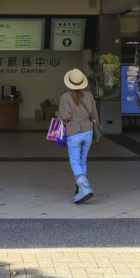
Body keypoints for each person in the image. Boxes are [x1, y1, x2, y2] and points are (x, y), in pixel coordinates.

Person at [58, 68, 98, 204]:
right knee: (82, 160)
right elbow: (95, 114)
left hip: (73, 131)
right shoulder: (89, 95)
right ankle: (79, 189)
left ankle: (85, 187)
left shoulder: (65, 97)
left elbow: (64, 116)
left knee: (75, 162)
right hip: (88, 130)